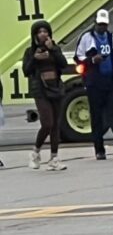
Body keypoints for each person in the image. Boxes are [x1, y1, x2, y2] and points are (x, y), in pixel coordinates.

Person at [75, 9, 113, 160]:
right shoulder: (86, 38)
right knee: (96, 117)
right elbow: (78, 57)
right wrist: (91, 61)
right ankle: (99, 149)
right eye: (100, 24)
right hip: (94, 82)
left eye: (104, 25)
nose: (102, 27)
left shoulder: (112, 38)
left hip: (110, 82)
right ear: (95, 23)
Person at [23, 20, 69, 171]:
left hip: (55, 88)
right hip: (40, 91)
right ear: (35, 34)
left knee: (56, 124)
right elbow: (26, 71)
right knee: (47, 123)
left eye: (45, 31)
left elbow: (63, 64)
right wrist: (35, 59)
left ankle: (54, 158)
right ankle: (35, 152)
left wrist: (53, 50)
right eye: (40, 31)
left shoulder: (54, 48)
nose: (43, 34)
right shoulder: (30, 51)